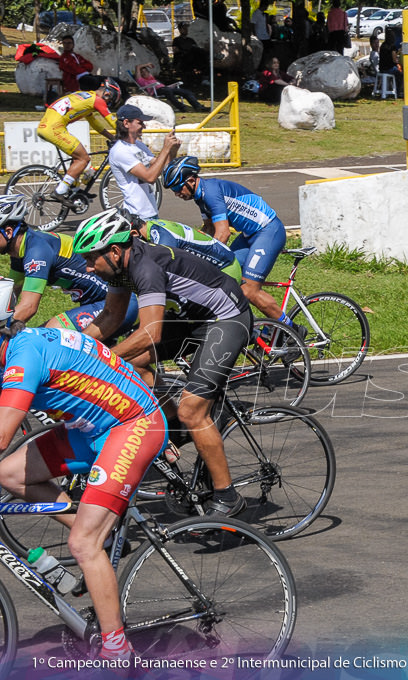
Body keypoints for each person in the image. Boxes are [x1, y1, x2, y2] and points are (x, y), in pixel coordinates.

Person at [0, 311, 167, 662]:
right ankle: (93, 530)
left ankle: (118, 650)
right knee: (9, 474)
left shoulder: (24, 356)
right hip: (91, 428)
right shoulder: (16, 347)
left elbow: (3, 434)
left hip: (132, 426)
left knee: (83, 544)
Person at [71, 208, 253, 517]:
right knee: (137, 363)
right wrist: (78, 349)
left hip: (226, 318)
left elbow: (150, 334)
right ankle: (179, 425)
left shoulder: (145, 268)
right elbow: (111, 317)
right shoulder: (120, 268)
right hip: (191, 318)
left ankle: (227, 497)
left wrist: (102, 358)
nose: (88, 268)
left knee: (192, 408)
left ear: (114, 251)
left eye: (91, 259)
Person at [162, 156, 289, 324]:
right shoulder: (201, 196)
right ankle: (254, 327)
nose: (177, 194)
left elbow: (223, 233)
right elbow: (208, 229)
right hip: (249, 236)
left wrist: (203, 261)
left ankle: (292, 329)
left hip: (269, 231)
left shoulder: (211, 192)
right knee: (226, 278)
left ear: (191, 180)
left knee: (249, 290)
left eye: (178, 188)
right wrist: (187, 249)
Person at [0, 194, 139, 338]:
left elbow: (29, 307)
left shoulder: (37, 251)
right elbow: (11, 294)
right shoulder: (21, 251)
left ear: (9, 232)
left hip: (118, 305)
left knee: (44, 340)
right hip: (100, 303)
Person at [36, 80, 120, 208]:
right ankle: (60, 191)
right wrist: (127, 135)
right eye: (110, 100)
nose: (107, 103)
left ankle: (74, 190)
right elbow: (112, 120)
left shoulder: (85, 96)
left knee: (77, 156)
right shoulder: (97, 101)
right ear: (107, 93)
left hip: (47, 126)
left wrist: (111, 137)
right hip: (54, 128)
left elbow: (94, 123)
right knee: (83, 159)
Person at [108, 104, 181, 221]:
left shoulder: (139, 145)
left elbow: (162, 166)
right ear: (126, 123)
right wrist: (165, 149)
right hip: (137, 216)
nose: (144, 126)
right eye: (140, 123)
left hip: (150, 211)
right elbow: (150, 177)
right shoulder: (120, 151)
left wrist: (172, 151)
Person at [126, 214, 243, 281]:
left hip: (225, 268)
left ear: (135, 234)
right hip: (217, 265)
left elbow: (161, 273)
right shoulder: (152, 225)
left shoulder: (162, 237)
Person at [134, 62, 204, 113]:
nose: (145, 73)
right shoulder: (140, 80)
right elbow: (137, 66)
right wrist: (147, 64)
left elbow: (164, 86)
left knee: (186, 92)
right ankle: (182, 107)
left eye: (146, 71)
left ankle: (198, 106)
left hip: (166, 88)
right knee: (168, 91)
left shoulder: (151, 77)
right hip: (157, 90)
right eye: (142, 72)